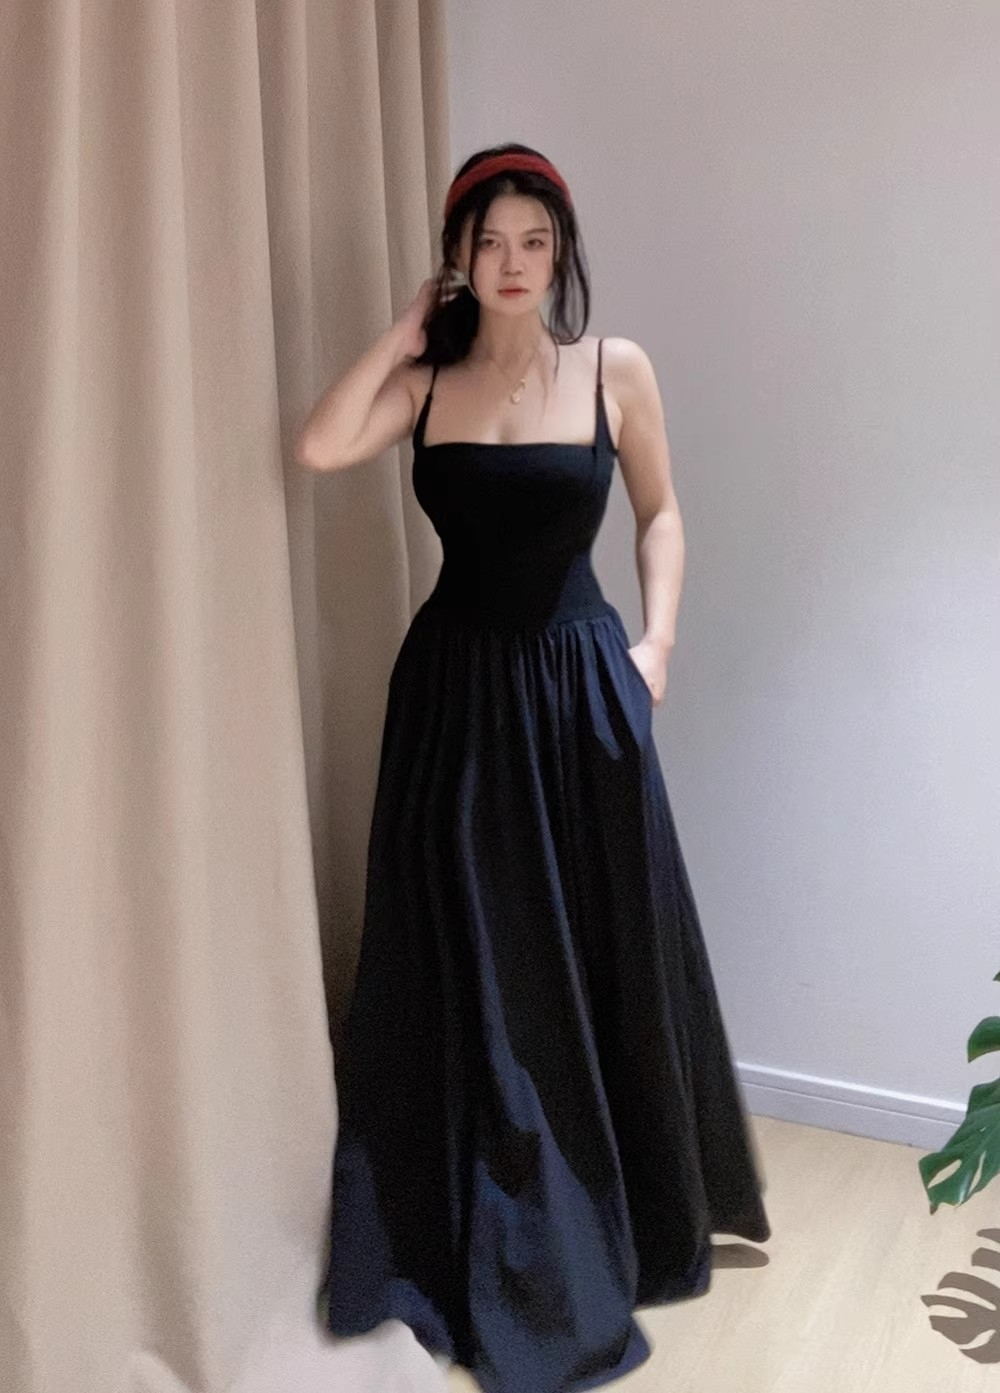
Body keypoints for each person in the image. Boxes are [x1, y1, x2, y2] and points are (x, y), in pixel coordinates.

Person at [296, 142, 770, 1393]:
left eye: (534, 242)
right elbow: (322, 445)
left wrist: (656, 643)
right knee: (474, 948)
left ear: (560, 254)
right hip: (453, 697)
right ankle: (495, 1202)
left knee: (603, 937)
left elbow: (661, 512)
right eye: (488, 241)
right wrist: (404, 329)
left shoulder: (614, 369)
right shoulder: (428, 384)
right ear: (459, 254)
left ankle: (630, 1203)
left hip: (579, 694)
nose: (512, 264)